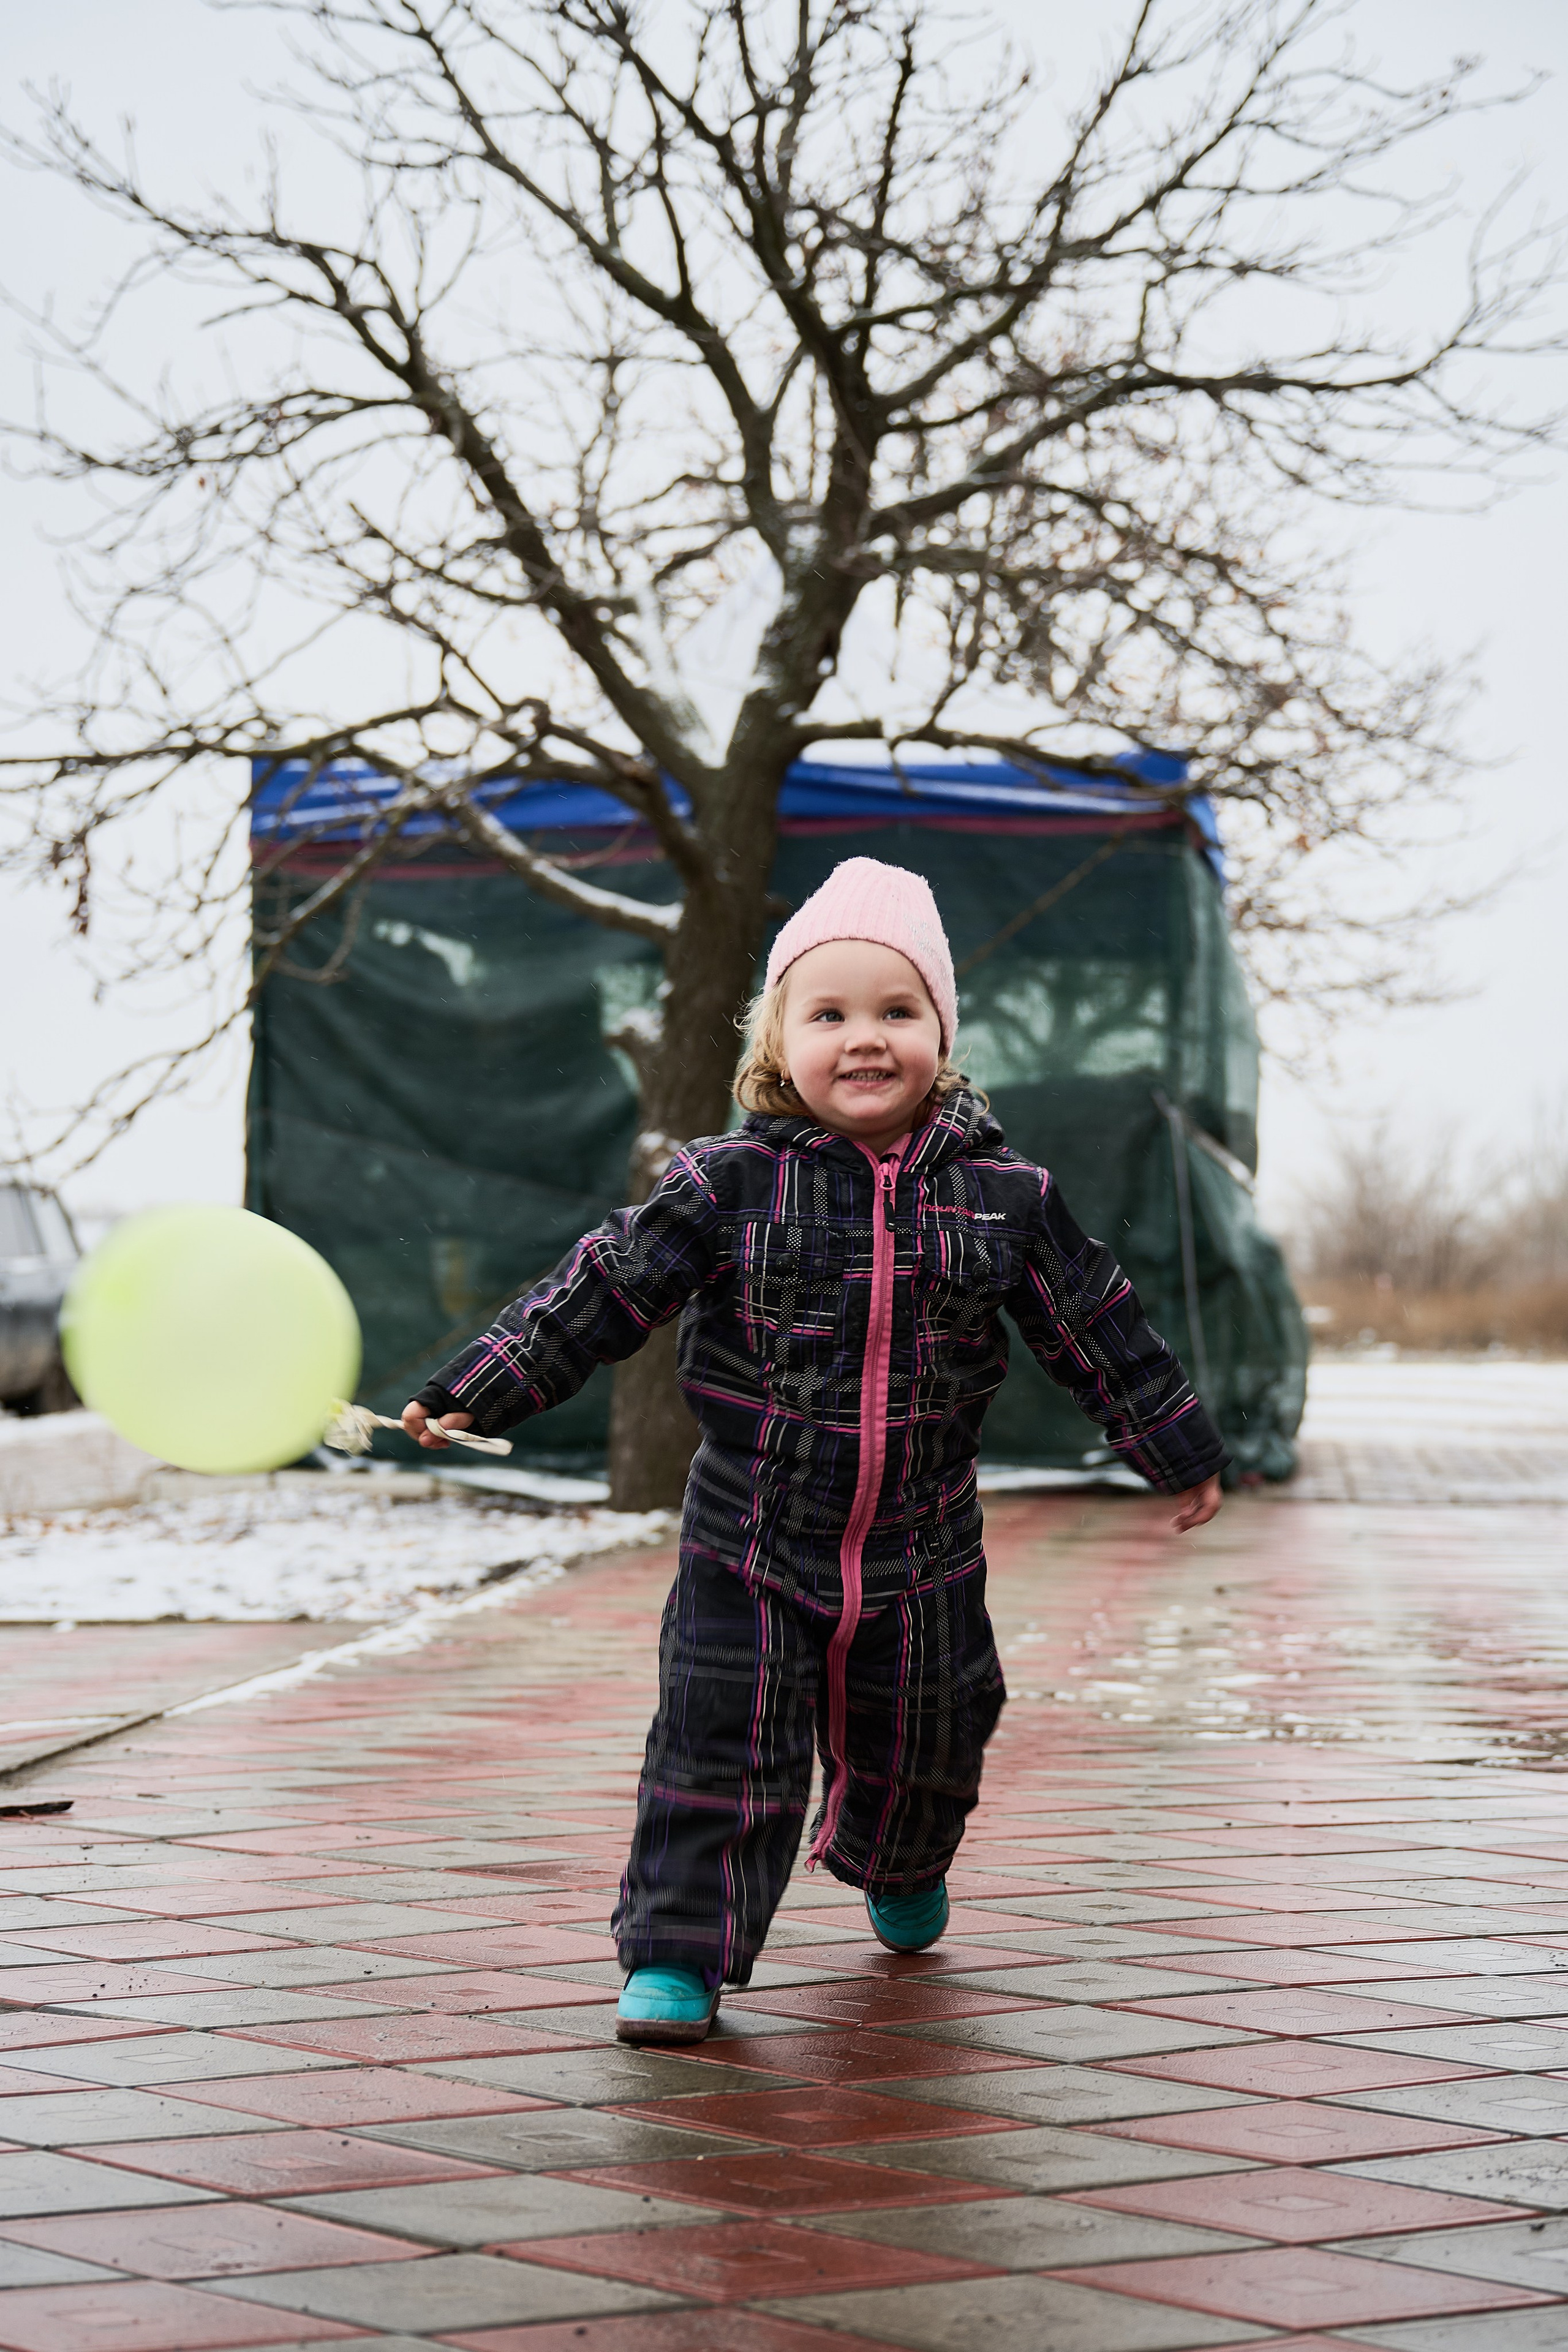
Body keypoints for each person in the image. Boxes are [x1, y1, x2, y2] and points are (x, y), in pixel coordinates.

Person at [403, 858, 1224, 2045]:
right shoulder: (724, 1183)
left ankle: (898, 1854)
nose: (863, 1039)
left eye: (896, 1012)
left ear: (939, 1035)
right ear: (776, 1041)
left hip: (922, 1543)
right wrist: (482, 1386)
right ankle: (678, 1956)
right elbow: (601, 1289)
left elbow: (1095, 1321)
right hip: (750, 1534)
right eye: (827, 1013)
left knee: (935, 1728)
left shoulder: (1005, 1196)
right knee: (717, 1738)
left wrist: (1173, 1442)